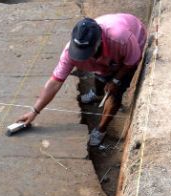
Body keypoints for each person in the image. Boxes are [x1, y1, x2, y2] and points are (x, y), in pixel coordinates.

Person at [15, 14, 147, 147]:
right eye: (79, 52)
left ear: (98, 42)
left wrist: (116, 80)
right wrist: (34, 111)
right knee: (101, 75)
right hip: (106, 57)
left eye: (86, 52)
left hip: (132, 43)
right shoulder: (69, 53)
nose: (81, 56)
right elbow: (55, 82)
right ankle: (97, 93)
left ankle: (101, 129)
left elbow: (131, 62)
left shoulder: (122, 39)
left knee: (115, 93)